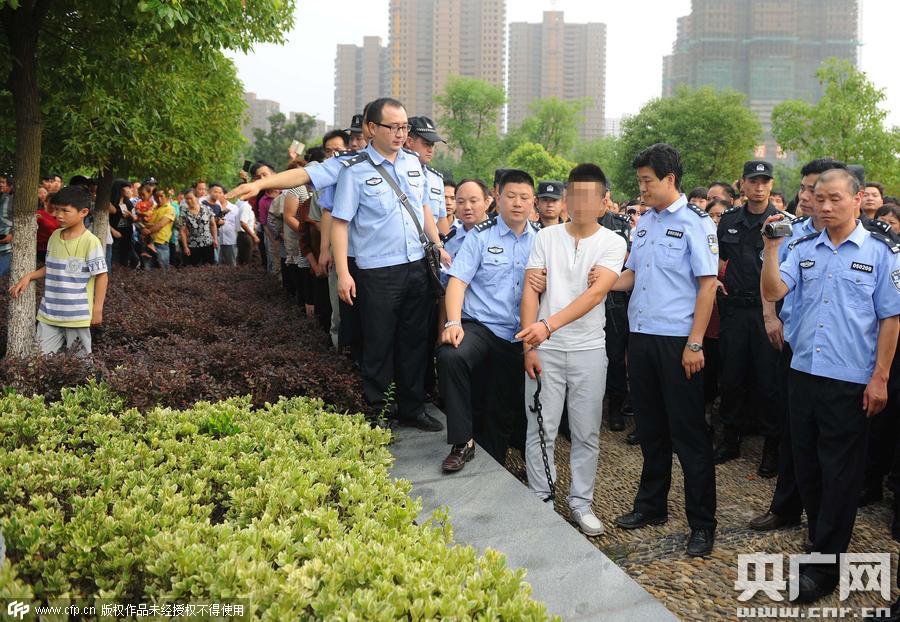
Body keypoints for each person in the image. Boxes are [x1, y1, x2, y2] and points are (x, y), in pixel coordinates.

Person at [760, 167, 900, 603]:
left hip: (849, 379)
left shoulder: (880, 252)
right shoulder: (801, 245)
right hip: (803, 372)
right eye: (819, 198)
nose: (824, 206)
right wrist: (770, 248)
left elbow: (890, 317)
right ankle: (822, 537)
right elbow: (774, 289)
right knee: (808, 467)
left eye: (835, 198)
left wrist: (880, 378)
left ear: (857, 200)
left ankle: (825, 565)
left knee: (840, 473)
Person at [610, 143, 719, 558]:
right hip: (642, 338)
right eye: (639, 181)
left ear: (669, 180)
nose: (641, 189)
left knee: (689, 434)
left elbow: (707, 285)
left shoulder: (696, 224)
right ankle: (651, 506)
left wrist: (695, 342)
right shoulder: (644, 224)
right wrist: (600, 281)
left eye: (647, 181)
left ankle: (702, 523)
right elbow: (632, 274)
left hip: (678, 341)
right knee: (652, 429)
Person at [517, 163, 627, 535]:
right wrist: (531, 343)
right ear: (566, 199)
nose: (580, 204)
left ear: (603, 202)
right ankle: (540, 498)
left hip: (589, 350)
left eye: (589, 197)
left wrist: (547, 325)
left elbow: (597, 293)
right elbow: (531, 289)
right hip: (544, 351)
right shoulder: (545, 238)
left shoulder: (613, 242)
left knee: (585, 431)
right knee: (541, 427)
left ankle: (581, 503)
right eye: (574, 196)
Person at [331, 97, 448, 431]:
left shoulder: (413, 164)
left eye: (404, 127)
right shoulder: (355, 172)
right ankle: (380, 409)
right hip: (377, 271)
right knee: (379, 341)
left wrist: (437, 245)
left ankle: (413, 407)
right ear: (372, 128)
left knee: (414, 341)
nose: (400, 134)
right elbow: (340, 223)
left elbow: (424, 207)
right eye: (393, 127)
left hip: (416, 266)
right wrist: (343, 272)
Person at [748, 157, 846, 535]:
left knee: (836, 444)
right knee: (794, 431)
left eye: (815, 190)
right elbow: (769, 277)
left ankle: (829, 522)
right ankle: (787, 507)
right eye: (805, 189)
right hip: (799, 346)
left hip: (844, 358)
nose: (807, 197)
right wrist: (771, 316)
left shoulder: (870, 238)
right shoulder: (795, 231)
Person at [438, 169, 538, 470]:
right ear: (498, 198)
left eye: (524, 197)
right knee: (450, 356)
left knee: (502, 405)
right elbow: (457, 282)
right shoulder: (481, 236)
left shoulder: (544, 241)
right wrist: (453, 323)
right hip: (481, 328)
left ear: (532, 202)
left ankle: (496, 462)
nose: (517, 203)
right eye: (511, 196)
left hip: (521, 334)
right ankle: (462, 441)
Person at [713, 160, 794, 476]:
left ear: (771, 185)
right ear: (742, 185)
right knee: (731, 376)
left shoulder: (783, 222)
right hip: (734, 309)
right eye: (753, 181)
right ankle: (730, 439)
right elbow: (718, 255)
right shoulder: (730, 220)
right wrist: (717, 276)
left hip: (768, 314)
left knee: (768, 381)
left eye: (765, 181)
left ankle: (771, 448)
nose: (759, 186)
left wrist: (774, 314)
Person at [8, 185, 107, 356]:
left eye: (65, 211)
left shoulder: (91, 242)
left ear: (83, 212)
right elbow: (51, 267)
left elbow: (102, 276)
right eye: (55, 210)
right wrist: (29, 276)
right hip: (49, 314)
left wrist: (97, 309)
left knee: (80, 363)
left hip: (77, 317)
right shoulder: (54, 236)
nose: (58, 215)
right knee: (39, 359)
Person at [406, 116, 450, 236]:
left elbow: (441, 219)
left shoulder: (436, 179)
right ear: (409, 141)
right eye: (426, 144)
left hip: (432, 248)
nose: (430, 149)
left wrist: (446, 247)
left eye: (432, 145)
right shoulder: (397, 174)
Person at [179, 189, 217, 266]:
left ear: (196, 198)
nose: (189, 201)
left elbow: (213, 224)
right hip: (193, 245)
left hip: (208, 244)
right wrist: (185, 247)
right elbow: (182, 231)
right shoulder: (183, 212)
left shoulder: (207, 209)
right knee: (195, 269)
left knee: (209, 267)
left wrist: (215, 239)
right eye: (186, 199)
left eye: (191, 198)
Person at [141, 188, 175, 270]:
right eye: (156, 197)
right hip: (148, 242)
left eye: (161, 196)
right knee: (148, 269)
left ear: (166, 196)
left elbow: (161, 224)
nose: (159, 199)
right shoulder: (153, 208)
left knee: (163, 270)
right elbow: (148, 222)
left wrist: (148, 230)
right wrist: (144, 228)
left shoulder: (170, 208)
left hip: (161, 243)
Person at [0, 175, 11, 277]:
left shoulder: (11, 200)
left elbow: (20, 220)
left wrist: (12, 234)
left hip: (6, 249)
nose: (0, 184)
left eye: (2, 182)